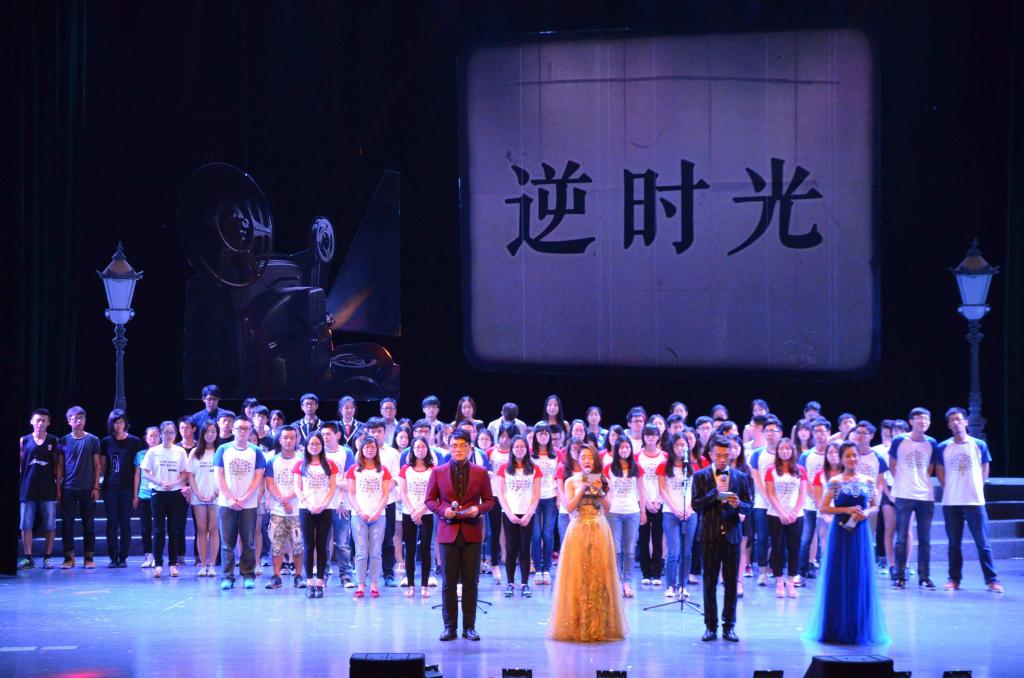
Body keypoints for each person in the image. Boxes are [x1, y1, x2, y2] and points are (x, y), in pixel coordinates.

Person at [803, 442, 889, 645]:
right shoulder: (835, 482)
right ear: (841, 459)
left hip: (860, 533)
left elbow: (875, 507)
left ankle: (858, 628)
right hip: (840, 533)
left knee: (859, 576)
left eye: (854, 455)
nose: (852, 459)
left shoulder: (868, 481)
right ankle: (835, 628)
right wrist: (846, 510)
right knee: (838, 576)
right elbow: (823, 508)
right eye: (848, 456)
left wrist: (865, 512)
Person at [548, 444, 628, 642]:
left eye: (590, 457)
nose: (586, 460)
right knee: (578, 576)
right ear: (578, 460)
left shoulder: (604, 480)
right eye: (583, 457)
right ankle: (577, 623)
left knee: (599, 576)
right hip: (578, 528)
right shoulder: (571, 481)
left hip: (599, 528)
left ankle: (600, 625)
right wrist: (582, 488)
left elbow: (608, 507)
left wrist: (599, 491)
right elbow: (569, 508)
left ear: (595, 460)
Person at [424, 429, 495, 642]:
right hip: (448, 532)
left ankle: (469, 628)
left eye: (463, 445)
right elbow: (430, 500)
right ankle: (449, 628)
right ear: (449, 447)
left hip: (472, 531)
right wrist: (442, 510)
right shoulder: (438, 472)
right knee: (448, 583)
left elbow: (489, 501)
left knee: (471, 582)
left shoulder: (480, 472)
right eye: (454, 445)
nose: (458, 449)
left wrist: (478, 509)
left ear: (470, 448)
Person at [692, 434, 752, 643]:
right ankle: (710, 626)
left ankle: (729, 626)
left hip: (732, 536)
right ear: (710, 455)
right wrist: (715, 493)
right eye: (718, 455)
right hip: (709, 536)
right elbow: (695, 504)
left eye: (726, 455)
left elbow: (749, 505)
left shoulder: (740, 477)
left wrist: (739, 505)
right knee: (709, 583)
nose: (722, 459)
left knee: (731, 584)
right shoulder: (700, 476)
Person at [936, 407, 1003, 592]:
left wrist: (977, 487)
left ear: (965, 422)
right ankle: (954, 579)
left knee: (983, 543)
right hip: (952, 501)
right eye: (952, 420)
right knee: (954, 544)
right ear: (949, 425)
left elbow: (985, 467)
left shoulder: (978, 444)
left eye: (959, 419)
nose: (956, 423)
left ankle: (992, 580)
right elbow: (940, 471)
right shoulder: (943, 447)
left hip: (975, 500)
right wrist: (949, 488)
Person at [213, 416, 266, 590]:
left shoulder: (256, 451)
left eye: (245, 428)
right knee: (227, 544)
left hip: (248, 505)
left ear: (250, 430)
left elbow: (258, 478)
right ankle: (227, 576)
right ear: (233, 430)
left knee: (248, 542)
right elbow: (219, 476)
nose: (242, 431)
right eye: (239, 428)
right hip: (226, 504)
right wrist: (230, 498)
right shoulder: (223, 449)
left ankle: (248, 575)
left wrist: (244, 499)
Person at [889, 407, 939, 590]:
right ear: (911, 421)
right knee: (901, 537)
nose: (922, 421)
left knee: (925, 539)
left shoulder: (932, 442)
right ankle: (899, 576)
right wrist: (904, 482)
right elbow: (892, 465)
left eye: (926, 419)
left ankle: (924, 576)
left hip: (925, 495)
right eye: (918, 418)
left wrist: (919, 481)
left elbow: (931, 468)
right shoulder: (899, 440)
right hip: (904, 494)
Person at [141, 421, 189, 577]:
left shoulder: (180, 451)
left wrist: (174, 483)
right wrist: (159, 482)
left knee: (174, 530)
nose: (169, 435)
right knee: (158, 530)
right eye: (166, 432)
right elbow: (145, 472)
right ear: (161, 434)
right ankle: (158, 564)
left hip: (175, 494)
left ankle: (173, 564)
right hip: (158, 493)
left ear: (175, 434)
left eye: (171, 432)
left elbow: (185, 473)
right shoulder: (153, 451)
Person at [294, 432, 338, 598]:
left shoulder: (329, 464)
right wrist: (307, 504)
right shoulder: (300, 464)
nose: (314, 447)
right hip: (306, 509)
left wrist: (323, 505)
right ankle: (310, 583)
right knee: (308, 546)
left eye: (317, 444)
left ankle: (320, 583)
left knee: (321, 546)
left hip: (325, 509)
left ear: (322, 446)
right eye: (311, 444)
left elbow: (332, 488)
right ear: (306, 446)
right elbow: (297, 488)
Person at [346, 436, 391, 599]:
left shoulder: (383, 470)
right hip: (358, 516)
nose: (370, 450)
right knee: (361, 552)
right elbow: (351, 493)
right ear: (361, 450)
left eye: (372, 447)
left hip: (378, 516)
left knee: (376, 552)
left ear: (376, 450)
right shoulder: (354, 469)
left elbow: (385, 494)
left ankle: (374, 584)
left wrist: (377, 511)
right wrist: (358, 511)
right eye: (366, 447)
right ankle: (360, 584)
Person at [496, 435, 541, 597]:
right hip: (509, 514)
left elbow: (536, 494)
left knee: (524, 549)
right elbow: (500, 494)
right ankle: (510, 582)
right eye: (516, 447)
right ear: (512, 449)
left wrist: (528, 514)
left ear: (527, 449)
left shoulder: (534, 468)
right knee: (511, 549)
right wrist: (509, 514)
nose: (519, 450)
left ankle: (524, 583)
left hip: (527, 514)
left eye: (522, 447)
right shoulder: (504, 468)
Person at [57, 406, 102, 569]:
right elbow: (60, 466)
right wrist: (58, 489)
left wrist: (96, 487)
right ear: (69, 421)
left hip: (87, 488)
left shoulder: (93, 440)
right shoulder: (63, 441)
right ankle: (69, 558)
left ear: (85, 420)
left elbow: (97, 465)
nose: (78, 421)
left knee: (88, 524)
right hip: (68, 487)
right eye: (75, 418)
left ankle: (89, 557)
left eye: (81, 418)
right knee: (67, 524)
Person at [99, 409, 143, 568]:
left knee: (125, 523)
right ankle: (113, 557)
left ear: (125, 423)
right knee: (112, 523)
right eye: (115, 422)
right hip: (110, 488)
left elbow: (138, 469)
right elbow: (103, 465)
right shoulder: (106, 442)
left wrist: (135, 493)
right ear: (111, 424)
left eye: (121, 422)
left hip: (127, 488)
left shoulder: (134, 441)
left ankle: (123, 557)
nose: (118, 425)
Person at [765, 438, 808, 598]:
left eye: (788, 449)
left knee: (794, 548)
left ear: (793, 451)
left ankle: (790, 582)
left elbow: (803, 494)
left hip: (796, 516)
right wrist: (782, 513)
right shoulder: (771, 470)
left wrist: (794, 511)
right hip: (776, 515)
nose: (785, 452)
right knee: (777, 548)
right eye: (782, 449)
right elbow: (770, 494)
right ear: (777, 451)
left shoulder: (800, 470)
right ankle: (779, 582)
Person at [603, 436, 646, 598]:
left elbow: (641, 491)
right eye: (621, 447)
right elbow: (604, 490)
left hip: (632, 512)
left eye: (627, 447)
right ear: (616, 449)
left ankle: (627, 582)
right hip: (613, 512)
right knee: (616, 549)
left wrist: (643, 512)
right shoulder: (608, 467)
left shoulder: (637, 467)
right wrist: (604, 508)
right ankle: (617, 581)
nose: (624, 450)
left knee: (630, 550)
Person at [18, 409, 61, 570]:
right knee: (25, 524)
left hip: (47, 489)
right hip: (28, 488)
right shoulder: (24, 440)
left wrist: (57, 487)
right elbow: (21, 465)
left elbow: (57, 466)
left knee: (50, 525)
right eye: (37, 420)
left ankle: (47, 558)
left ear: (48, 423)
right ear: (31, 422)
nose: (40, 423)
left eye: (44, 420)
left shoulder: (53, 440)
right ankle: (28, 558)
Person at [262, 426, 304, 589]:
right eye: (285, 437)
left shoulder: (302, 460)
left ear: (297, 439)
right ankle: (276, 576)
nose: (288, 441)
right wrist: (282, 500)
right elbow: (270, 483)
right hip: (277, 510)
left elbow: (303, 483)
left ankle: (298, 575)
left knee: (298, 544)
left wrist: (289, 499)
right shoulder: (272, 460)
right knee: (277, 544)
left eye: (292, 437)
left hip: (298, 509)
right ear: (279, 440)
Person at [658, 432, 697, 599]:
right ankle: (671, 586)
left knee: (687, 552)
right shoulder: (663, 466)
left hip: (690, 512)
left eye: (684, 445)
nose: (681, 448)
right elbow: (662, 490)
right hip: (670, 512)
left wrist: (689, 507)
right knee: (673, 550)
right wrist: (675, 509)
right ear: (672, 447)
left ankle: (683, 585)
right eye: (678, 445)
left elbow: (695, 491)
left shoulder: (691, 466)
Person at [399, 436, 436, 597]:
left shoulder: (433, 469)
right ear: (412, 450)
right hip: (409, 513)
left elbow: (435, 493)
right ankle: (411, 585)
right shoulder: (405, 469)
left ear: (427, 449)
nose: (420, 450)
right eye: (417, 447)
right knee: (410, 549)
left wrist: (421, 510)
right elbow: (403, 492)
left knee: (426, 549)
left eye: (423, 447)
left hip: (427, 512)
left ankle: (424, 586)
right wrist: (413, 511)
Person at [321, 422, 355, 587]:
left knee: (342, 543)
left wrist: (340, 499)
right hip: (323, 504)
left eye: (328, 434)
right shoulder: (318, 453)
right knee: (324, 542)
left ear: (337, 435)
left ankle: (345, 575)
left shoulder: (346, 452)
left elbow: (348, 481)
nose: (325, 437)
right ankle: (323, 574)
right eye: (323, 434)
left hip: (342, 504)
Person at [797, 418, 831, 582]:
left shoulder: (833, 453)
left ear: (829, 432)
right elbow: (803, 479)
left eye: (822, 431)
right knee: (806, 537)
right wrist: (817, 500)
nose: (819, 434)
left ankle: (826, 568)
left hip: (830, 504)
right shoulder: (806, 455)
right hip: (810, 503)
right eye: (816, 431)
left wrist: (825, 503)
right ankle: (803, 569)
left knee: (826, 537)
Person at [636, 423, 667, 587]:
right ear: (643, 437)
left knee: (657, 538)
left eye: (653, 434)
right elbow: (636, 482)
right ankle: (645, 573)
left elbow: (667, 481)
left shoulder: (665, 456)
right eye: (647, 434)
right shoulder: (637, 456)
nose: (650, 437)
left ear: (658, 437)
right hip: (642, 502)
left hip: (660, 502)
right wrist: (646, 502)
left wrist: (658, 501)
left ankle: (656, 573)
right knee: (643, 538)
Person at [188, 421, 220, 576]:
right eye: (207, 432)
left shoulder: (220, 451)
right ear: (202, 433)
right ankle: (202, 564)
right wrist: (197, 493)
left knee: (214, 529)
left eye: (213, 432)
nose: (210, 435)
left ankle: (212, 565)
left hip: (216, 497)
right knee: (201, 529)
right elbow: (190, 475)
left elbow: (225, 475)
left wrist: (216, 492)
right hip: (198, 496)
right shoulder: (195, 452)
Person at [529, 423, 559, 585]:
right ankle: (537, 568)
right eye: (539, 433)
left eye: (546, 433)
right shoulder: (530, 454)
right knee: (535, 535)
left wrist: (559, 497)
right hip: (533, 498)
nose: (543, 436)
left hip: (551, 497)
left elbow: (560, 476)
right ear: (535, 436)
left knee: (548, 534)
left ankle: (546, 569)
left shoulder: (557, 454)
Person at [486, 423, 514, 583]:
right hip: (494, 494)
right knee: (494, 531)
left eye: (508, 437)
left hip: (511, 495)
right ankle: (495, 564)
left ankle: (510, 559)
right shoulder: (491, 452)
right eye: (502, 436)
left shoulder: (516, 452)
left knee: (511, 530)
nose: (504, 440)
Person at [134, 426, 160, 567]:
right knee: (145, 528)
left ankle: (157, 556)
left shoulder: (163, 453)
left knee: (158, 527)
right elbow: (137, 475)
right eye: (151, 436)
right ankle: (148, 555)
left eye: (156, 436)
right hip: (143, 494)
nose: (153, 439)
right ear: (146, 438)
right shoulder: (140, 454)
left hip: (158, 494)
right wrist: (135, 495)